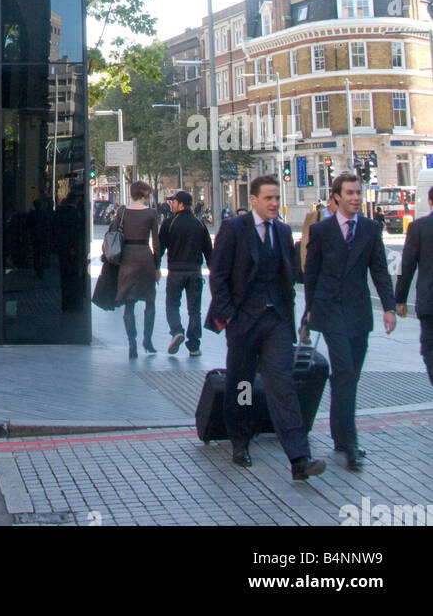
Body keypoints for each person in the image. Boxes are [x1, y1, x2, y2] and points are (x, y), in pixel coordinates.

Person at [205, 174, 325, 480]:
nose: (274, 203)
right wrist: (230, 315)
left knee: (282, 384)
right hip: (243, 321)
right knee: (242, 383)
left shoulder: (283, 232)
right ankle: (240, 439)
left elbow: (289, 276)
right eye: (268, 198)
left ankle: (299, 457)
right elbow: (217, 276)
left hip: (276, 321)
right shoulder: (234, 229)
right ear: (254, 200)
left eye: (276, 197)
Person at [304, 172, 396, 470]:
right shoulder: (321, 231)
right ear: (337, 197)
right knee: (343, 370)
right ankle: (351, 443)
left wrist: (389, 307)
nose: (356, 197)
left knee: (349, 377)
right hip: (330, 311)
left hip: (358, 314)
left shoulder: (370, 229)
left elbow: (380, 270)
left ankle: (340, 436)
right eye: (351, 193)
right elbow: (312, 274)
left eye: (359, 192)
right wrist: (309, 312)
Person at [160, 189, 212, 356]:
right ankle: (194, 345)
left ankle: (177, 331)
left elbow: (159, 248)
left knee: (172, 305)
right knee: (194, 310)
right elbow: (209, 251)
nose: (171, 205)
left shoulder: (169, 223)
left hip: (175, 271)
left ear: (181, 204)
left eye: (174, 202)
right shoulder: (199, 224)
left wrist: (154, 267)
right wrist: (213, 271)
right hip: (195, 272)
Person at [116, 180, 160, 358]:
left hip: (127, 258)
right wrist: (157, 265)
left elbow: (113, 232)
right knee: (150, 300)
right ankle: (147, 340)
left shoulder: (123, 211)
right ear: (144, 194)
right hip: (145, 258)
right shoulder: (151, 213)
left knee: (129, 303)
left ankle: (132, 343)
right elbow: (156, 242)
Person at [395, 185, 433, 385]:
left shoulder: (419, 228)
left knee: (430, 348)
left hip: (429, 302)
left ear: (429, 202)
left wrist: (400, 299)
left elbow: (407, 265)